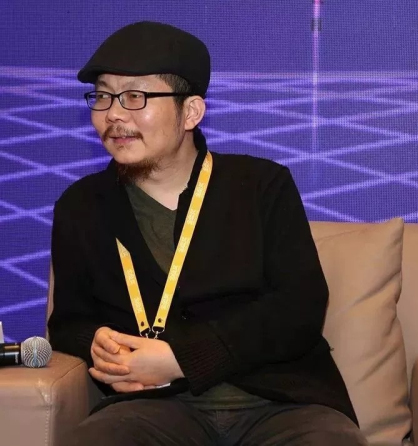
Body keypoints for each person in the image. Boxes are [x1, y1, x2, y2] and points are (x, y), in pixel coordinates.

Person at [48, 21, 367, 446]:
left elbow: (299, 308)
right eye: (103, 96)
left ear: (191, 112)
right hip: (154, 409)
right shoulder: (81, 205)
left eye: (135, 96)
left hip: (282, 404)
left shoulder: (261, 185)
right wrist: (96, 343)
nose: (114, 115)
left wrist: (182, 358)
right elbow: (68, 322)